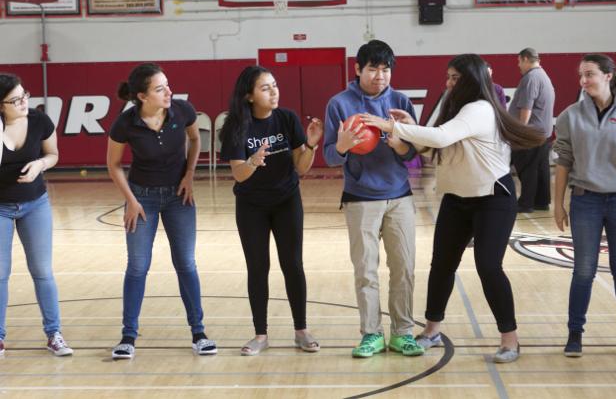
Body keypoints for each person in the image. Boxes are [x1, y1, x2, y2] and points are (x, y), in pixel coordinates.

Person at [363, 54, 545, 363]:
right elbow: (433, 144)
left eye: (455, 78)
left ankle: (510, 340)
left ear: (472, 80)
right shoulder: (457, 108)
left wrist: (391, 125)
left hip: (492, 198)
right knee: (442, 266)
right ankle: (432, 330)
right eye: (448, 77)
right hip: (457, 199)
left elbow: (443, 136)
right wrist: (409, 128)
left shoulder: (481, 109)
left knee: (489, 266)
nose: (448, 83)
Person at [106, 63, 216, 359]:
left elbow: (195, 140)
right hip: (142, 198)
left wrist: (190, 174)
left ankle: (199, 332)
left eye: (168, 85)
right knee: (138, 266)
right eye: (159, 88)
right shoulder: (125, 123)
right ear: (142, 96)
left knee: (186, 263)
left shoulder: (182, 110)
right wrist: (130, 199)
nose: (168, 91)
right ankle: (128, 337)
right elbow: (113, 164)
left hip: (179, 197)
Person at [323, 40, 424, 358]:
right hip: (360, 199)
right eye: (373, 69)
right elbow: (328, 156)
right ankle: (371, 334)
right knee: (366, 271)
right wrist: (342, 145)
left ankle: (403, 333)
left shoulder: (401, 101)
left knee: (404, 267)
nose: (380, 76)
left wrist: (399, 144)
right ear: (357, 69)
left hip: (399, 197)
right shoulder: (339, 104)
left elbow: (412, 155)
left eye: (385, 69)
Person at [220, 65, 323, 356]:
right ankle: (260, 335)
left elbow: (300, 168)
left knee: (293, 264)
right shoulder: (236, 126)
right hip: (251, 205)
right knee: (258, 268)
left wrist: (311, 145)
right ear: (250, 96)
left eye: (275, 85)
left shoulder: (287, 119)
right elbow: (239, 175)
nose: (274, 91)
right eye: (265, 88)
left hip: (286, 201)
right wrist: (253, 161)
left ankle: (301, 331)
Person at [553, 54, 616, 358]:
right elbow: (563, 161)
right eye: (581, 75)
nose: (583, 80)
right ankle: (575, 334)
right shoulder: (570, 116)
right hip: (585, 201)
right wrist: (558, 204)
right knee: (583, 271)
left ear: (609, 75)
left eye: (589, 74)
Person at [0, 73, 73, 357]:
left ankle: (54, 333)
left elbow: (53, 154)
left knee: (42, 271)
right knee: (0, 274)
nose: (23, 102)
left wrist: (39, 165)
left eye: (24, 95)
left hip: (35, 204)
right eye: (15, 100)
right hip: (1, 206)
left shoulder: (40, 120)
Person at [509, 47, 555, 213]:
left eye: (519, 62)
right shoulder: (543, 76)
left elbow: (526, 106)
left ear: (526, 58)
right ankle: (541, 201)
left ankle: (526, 203)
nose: (518, 66)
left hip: (531, 132)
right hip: (543, 132)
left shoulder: (531, 78)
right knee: (540, 168)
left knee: (527, 168)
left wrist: (520, 131)